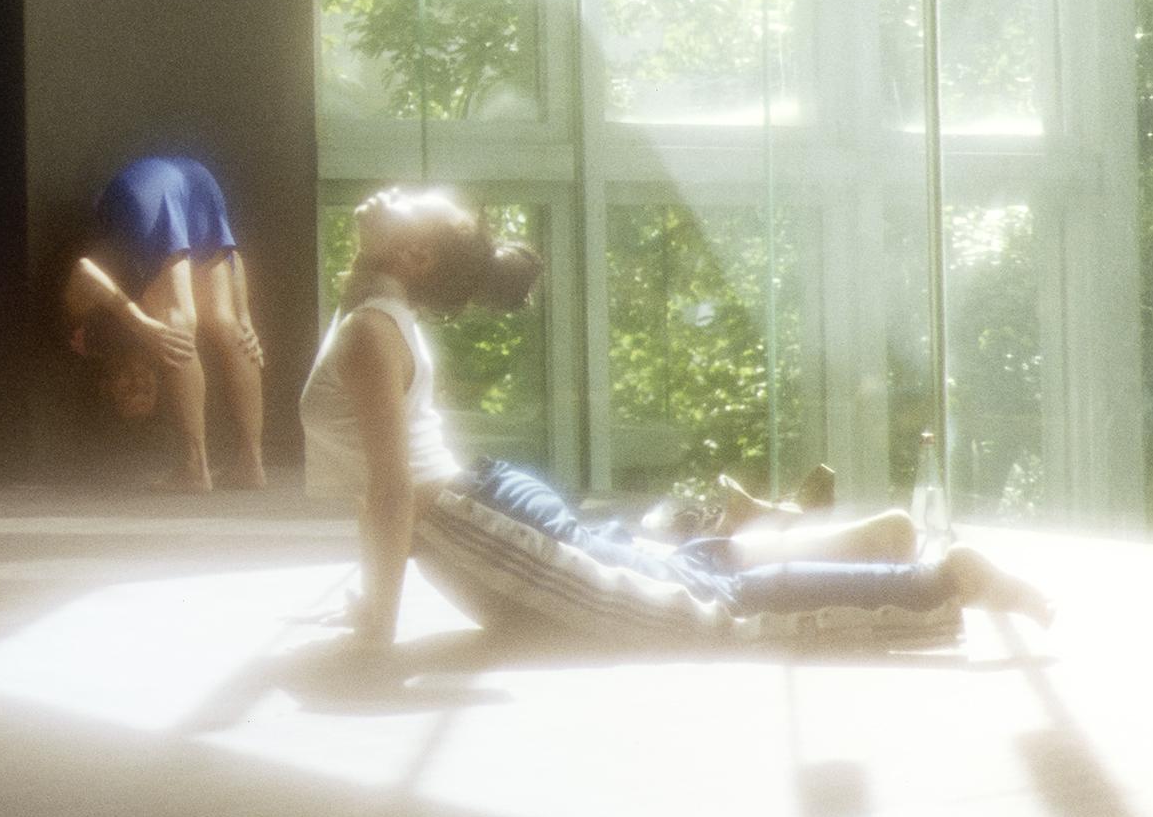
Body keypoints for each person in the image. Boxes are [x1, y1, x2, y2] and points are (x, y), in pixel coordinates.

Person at [296, 185, 1053, 654]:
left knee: (693, 613)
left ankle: (942, 582)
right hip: (480, 510)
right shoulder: (370, 316)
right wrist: (372, 606)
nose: (382, 194)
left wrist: (378, 632)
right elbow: (380, 491)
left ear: (414, 254)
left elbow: (391, 495)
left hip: (475, 519)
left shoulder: (369, 329)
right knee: (667, 573)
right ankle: (859, 545)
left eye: (402, 199)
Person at [61, 154, 266, 491]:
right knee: (226, 323)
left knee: (177, 321)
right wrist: (244, 317)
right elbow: (231, 255)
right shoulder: (142, 331)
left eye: (126, 389)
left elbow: (84, 273)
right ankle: (251, 465)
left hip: (141, 190)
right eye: (143, 390)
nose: (136, 383)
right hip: (199, 178)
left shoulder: (86, 338)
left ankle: (194, 467)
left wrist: (140, 322)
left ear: (104, 385)